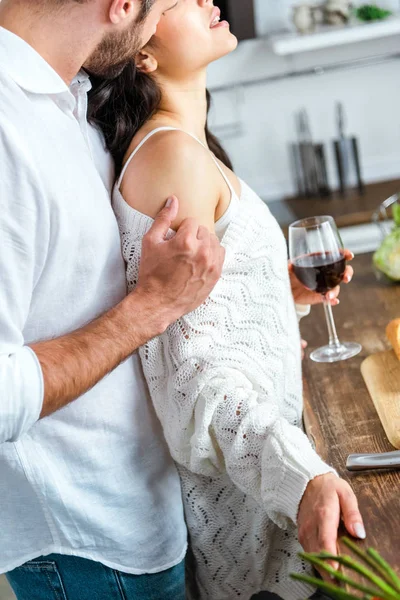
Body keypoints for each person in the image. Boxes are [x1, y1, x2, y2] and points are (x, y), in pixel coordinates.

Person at [87, 1, 367, 598]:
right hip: (253, 520)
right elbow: (196, 381)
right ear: (142, 49)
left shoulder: (187, 147)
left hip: (257, 506)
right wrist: (300, 479)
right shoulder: (171, 156)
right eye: (178, 1)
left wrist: (277, 294)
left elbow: (205, 322)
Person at [0, 1, 226, 599]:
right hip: (87, 545)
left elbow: (102, 280)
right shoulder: (6, 130)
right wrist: (149, 308)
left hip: (144, 513)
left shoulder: (66, 95)